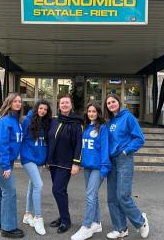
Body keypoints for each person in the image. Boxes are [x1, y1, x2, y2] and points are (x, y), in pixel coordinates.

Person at [104, 93, 150, 239]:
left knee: (122, 195)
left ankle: (141, 221)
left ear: (119, 102)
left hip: (124, 159)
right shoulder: (109, 121)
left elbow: (139, 138)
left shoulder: (128, 117)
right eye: (108, 103)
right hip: (111, 161)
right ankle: (121, 228)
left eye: (113, 101)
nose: (111, 104)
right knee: (112, 197)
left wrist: (126, 150)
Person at [71, 103, 111, 240]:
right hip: (87, 166)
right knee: (93, 195)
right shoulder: (85, 128)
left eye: (94, 111)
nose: (91, 113)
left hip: (98, 167)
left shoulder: (103, 128)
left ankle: (86, 226)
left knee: (90, 195)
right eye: (89, 111)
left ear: (98, 113)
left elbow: (105, 148)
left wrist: (105, 167)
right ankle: (96, 222)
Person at [0, 93, 24, 238]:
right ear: (9, 103)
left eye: (20, 101)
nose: (18, 103)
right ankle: (8, 228)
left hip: (6, 159)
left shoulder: (17, 120)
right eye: (15, 101)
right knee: (9, 190)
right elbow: (2, 146)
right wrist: (6, 167)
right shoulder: (5, 121)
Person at [47, 94, 83, 234]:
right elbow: (49, 140)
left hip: (66, 163)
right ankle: (62, 216)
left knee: (57, 190)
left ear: (71, 105)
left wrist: (76, 163)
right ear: (59, 105)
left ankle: (66, 221)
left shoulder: (76, 123)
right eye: (62, 103)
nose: (64, 105)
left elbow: (79, 144)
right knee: (60, 191)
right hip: (53, 162)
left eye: (67, 102)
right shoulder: (54, 121)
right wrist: (47, 159)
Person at [20, 100, 52, 235]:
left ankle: (27, 215)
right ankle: (38, 217)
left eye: (45, 109)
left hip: (40, 159)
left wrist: (46, 160)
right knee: (38, 185)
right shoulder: (27, 120)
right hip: (28, 157)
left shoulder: (47, 123)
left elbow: (46, 143)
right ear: (36, 108)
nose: (43, 111)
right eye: (41, 108)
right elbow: (21, 138)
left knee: (32, 186)